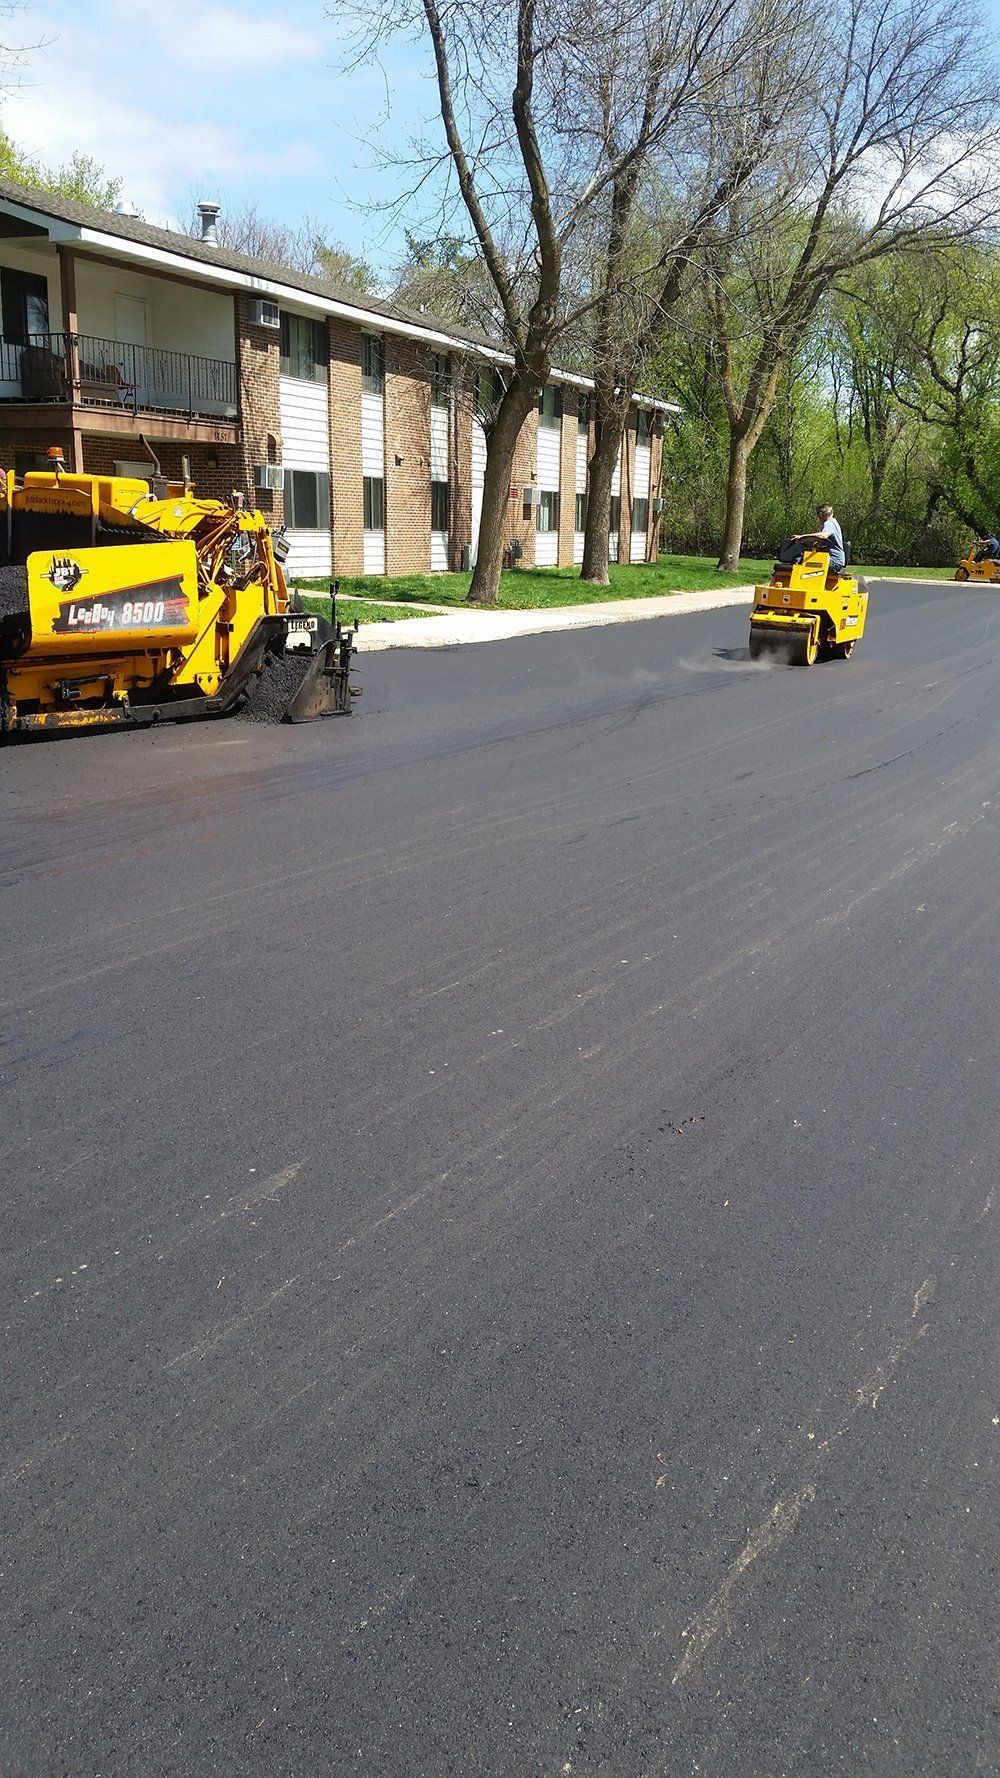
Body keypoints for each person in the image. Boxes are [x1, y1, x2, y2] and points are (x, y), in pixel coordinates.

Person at [783, 504, 845, 572]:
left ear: (821, 515)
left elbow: (823, 536)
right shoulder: (832, 523)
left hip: (833, 561)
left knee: (799, 561)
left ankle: (798, 581)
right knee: (800, 558)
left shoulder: (829, 523)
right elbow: (821, 542)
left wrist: (802, 536)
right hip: (831, 560)